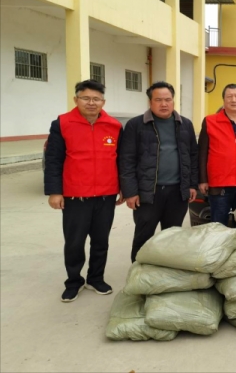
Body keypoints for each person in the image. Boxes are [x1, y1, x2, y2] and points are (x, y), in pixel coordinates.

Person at [44, 80, 124, 302]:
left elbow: (121, 160)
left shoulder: (114, 126)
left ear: (103, 102)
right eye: (86, 98)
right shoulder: (62, 123)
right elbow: (54, 160)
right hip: (75, 196)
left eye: (96, 99)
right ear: (76, 99)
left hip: (106, 195)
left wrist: (123, 188)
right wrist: (55, 192)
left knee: (101, 241)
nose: (91, 103)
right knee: (74, 242)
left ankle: (96, 278)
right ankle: (74, 281)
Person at [119, 81, 199, 262]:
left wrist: (192, 185)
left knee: (172, 237)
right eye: (158, 100)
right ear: (150, 102)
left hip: (177, 192)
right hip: (148, 193)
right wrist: (130, 192)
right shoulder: (136, 125)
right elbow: (126, 160)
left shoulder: (185, 124)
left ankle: (166, 273)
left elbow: (193, 156)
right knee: (143, 236)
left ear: (173, 101)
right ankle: (139, 272)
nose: (164, 104)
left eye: (168, 100)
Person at [198, 84, 236, 226]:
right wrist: (202, 180)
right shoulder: (210, 122)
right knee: (218, 227)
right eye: (229, 96)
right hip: (219, 185)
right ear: (223, 100)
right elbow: (202, 153)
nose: (233, 100)